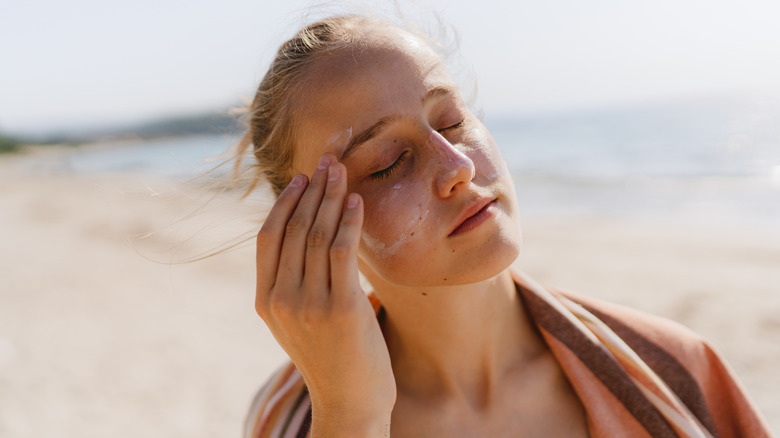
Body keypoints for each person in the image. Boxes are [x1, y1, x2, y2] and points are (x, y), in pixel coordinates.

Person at [236, 14, 771, 438]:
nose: (458, 167)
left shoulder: (673, 370)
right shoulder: (292, 421)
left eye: (452, 121)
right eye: (388, 162)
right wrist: (351, 418)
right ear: (306, 224)